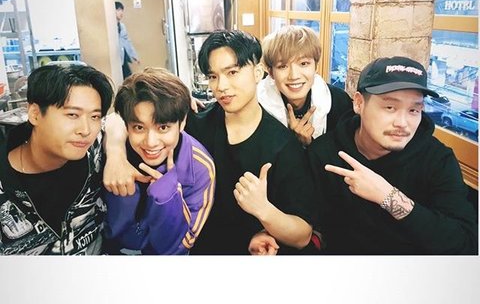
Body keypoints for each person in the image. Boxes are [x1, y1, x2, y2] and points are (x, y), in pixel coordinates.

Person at [308, 56, 478, 255]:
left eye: (413, 110)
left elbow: (465, 244)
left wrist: (388, 197)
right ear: (359, 103)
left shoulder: (437, 160)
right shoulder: (325, 154)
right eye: (390, 107)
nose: (402, 123)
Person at [184, 30, 315, 255]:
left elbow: (303, 235)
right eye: (213, 76)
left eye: (232, 72)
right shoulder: (195, 127)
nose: (221, 86)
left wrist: (264, 210)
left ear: (257, 73)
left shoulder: (282, 145)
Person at [0, 62, 113, 255]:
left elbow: (118, 120)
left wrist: (117, 155)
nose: (86, 130)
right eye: (72, 114)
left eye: (94, 117)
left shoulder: (96, 151)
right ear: (35, 114)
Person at [103, 69, 215, 255]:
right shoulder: (109, 148)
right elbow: (111, 120)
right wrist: (115, 155)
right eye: (139, 128)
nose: (150, 142)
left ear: (182, 122)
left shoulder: (199, 167)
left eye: (163, 127)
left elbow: (179, 246)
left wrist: (168, 199)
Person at [258, 25, 352, 146]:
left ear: (316, 67)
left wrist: (309, 144)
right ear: (271, 72)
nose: (294, 76)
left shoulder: (339, 102)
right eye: (283, 66)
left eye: (303, 64)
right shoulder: (256, 106)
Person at [116, 1, 140, 79]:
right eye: (118, 10)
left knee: (128, 77)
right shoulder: (111, 27)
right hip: (116, 58)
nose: (121, 12)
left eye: (122, 10)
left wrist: (134, 55)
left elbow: (127, 41)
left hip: (123, 57)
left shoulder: (122, 26)